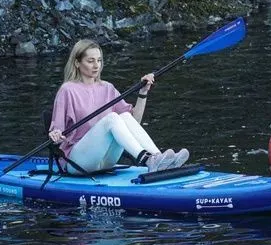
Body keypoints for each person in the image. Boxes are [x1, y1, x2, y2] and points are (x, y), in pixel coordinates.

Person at [47, 39, 189, 173]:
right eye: (90, 61)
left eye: (99, 60)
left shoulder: (108, 88)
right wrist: (55, 135)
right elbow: (57, 134)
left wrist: (143, 92)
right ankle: (147, 160)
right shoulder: (68, 90)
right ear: (77, 63)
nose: (96, 65)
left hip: (105, 161)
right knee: (112, 118)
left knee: (125, 116)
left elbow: (134, 123)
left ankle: (159, 158)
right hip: (77, 161)